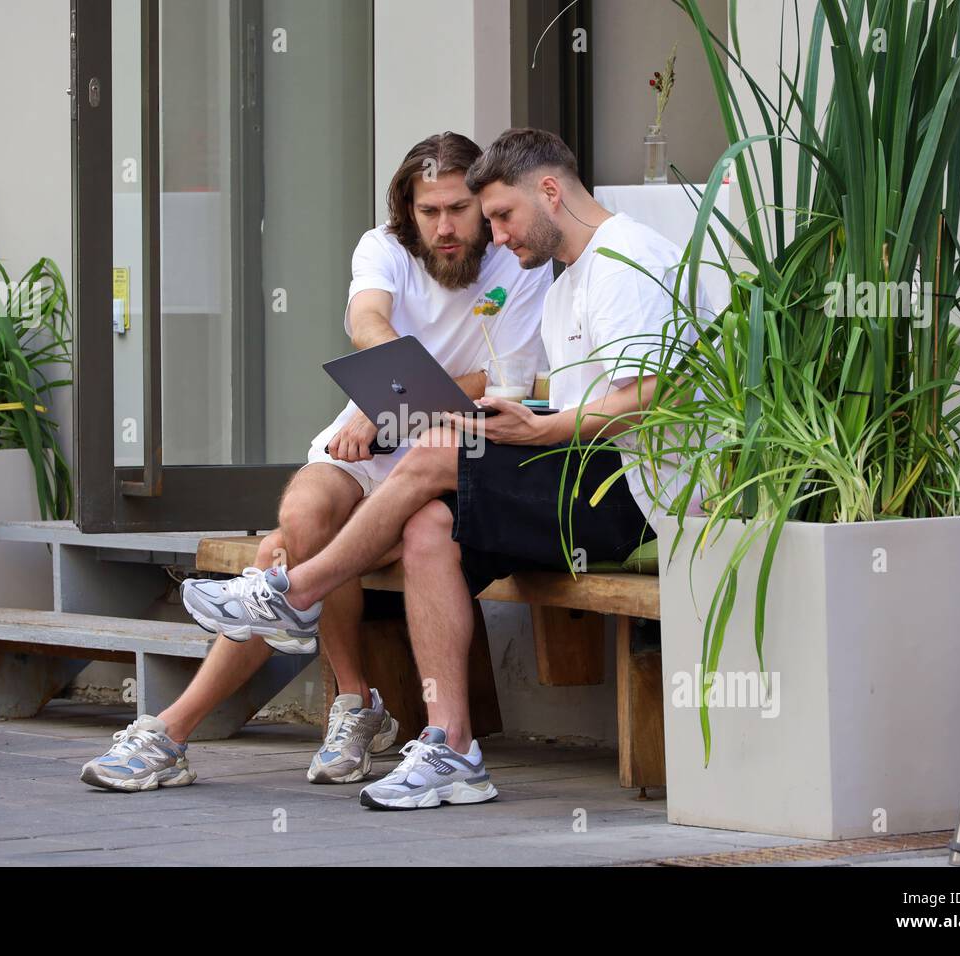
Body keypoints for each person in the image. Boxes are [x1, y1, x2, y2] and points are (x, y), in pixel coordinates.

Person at [196, 127, 711, 809]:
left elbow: (657, 396)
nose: (496, 237)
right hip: (587, 470)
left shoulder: (624, 263)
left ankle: (295, 593)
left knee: (439, 452)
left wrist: (541, 427)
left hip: (638, 492)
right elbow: (567, 400)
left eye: (500, 216)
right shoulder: (566, 284)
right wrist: (495, 421)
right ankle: (453, 748)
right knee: (429, 528)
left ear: (550, 191)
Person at [80, 131, 550, 792]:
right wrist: (391, 391)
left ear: (483, 204)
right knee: (303, 516)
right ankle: (354, 701)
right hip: (369, 432)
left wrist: (392, 403)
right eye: (429, 211)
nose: (445, 227)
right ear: (407, 212)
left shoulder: (518, 263)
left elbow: (506, 383)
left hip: (449, 453)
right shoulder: (383, 247)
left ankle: (173, 732)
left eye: (459, 208)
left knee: (285, 561)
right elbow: (367, 322)